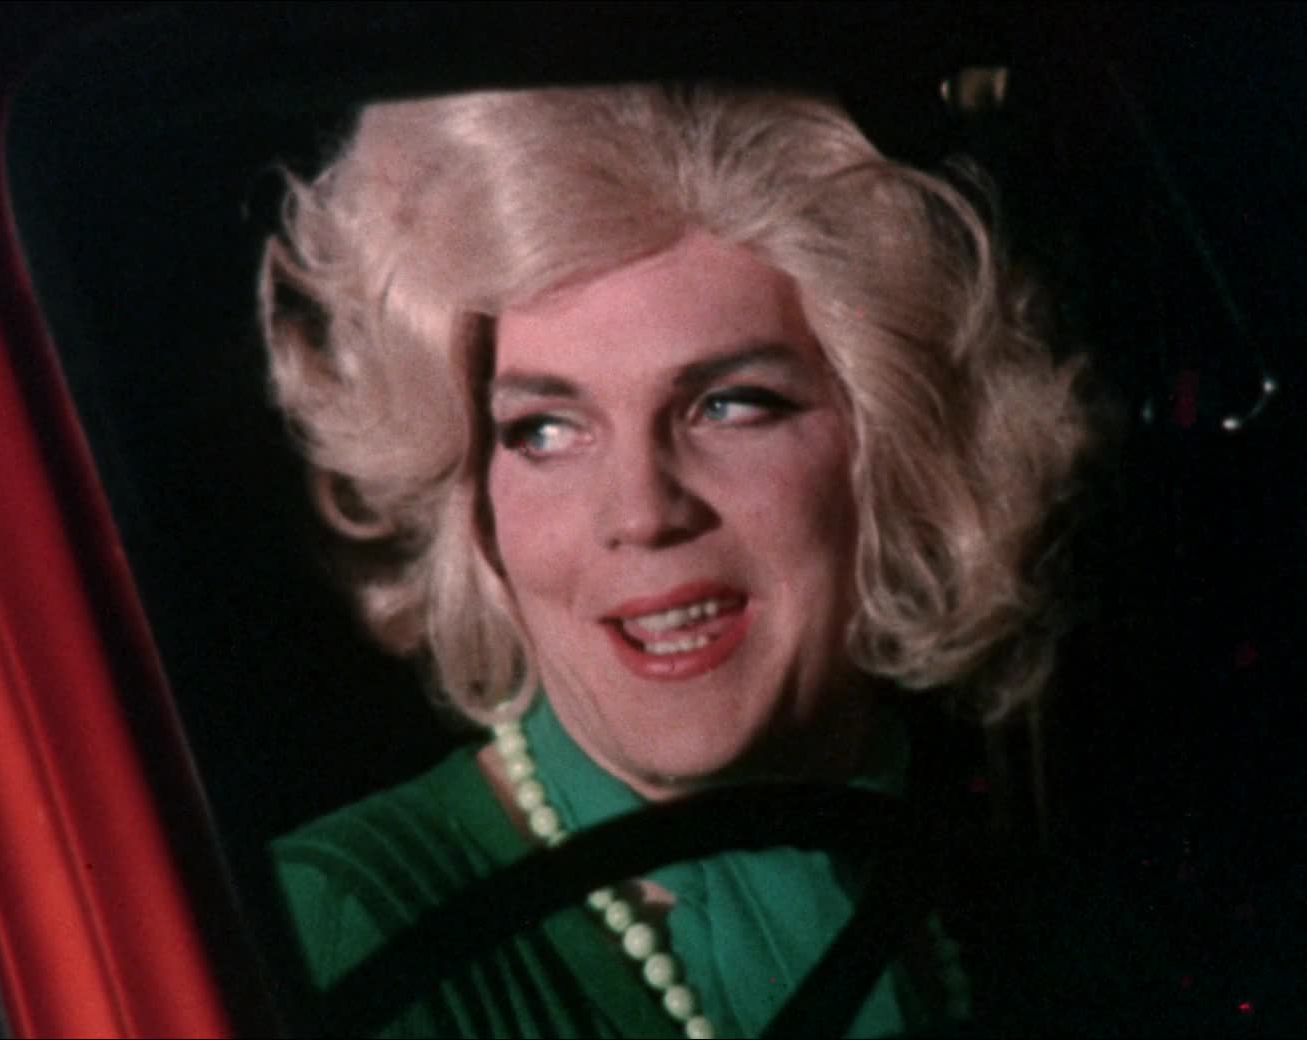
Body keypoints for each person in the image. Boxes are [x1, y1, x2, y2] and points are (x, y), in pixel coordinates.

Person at [260, 84, 1091, 1038]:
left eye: (729, 405)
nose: (643, 513)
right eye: (545, 429)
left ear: (895, 449)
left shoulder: (1031, 907)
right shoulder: (335, 937)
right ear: (472, 503)